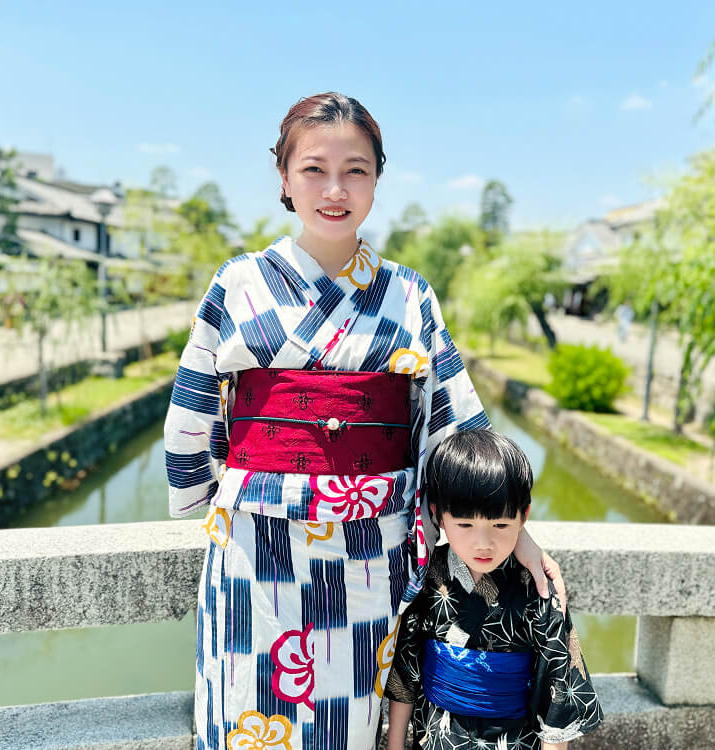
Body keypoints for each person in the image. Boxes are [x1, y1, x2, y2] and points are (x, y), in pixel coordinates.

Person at [164, 92, 566, 750]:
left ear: (377, 178)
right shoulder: (238, 284)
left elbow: (452, 426)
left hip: (367, 548)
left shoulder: (409, 294)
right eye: (313, 169)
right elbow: (194, 412)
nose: (334, 188)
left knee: (349, 718)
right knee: (245, 707)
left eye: (356, 170)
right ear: (285, 180)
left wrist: (510, 527)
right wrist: (213, 502)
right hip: (253, 545)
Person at [385, 430, 603, 750]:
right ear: (438, 515)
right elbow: (406, 669)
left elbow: (556, 692)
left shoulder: (538, 589)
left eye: (500, 525)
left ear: (523, 516)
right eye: (465, 525)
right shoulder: (428, 577)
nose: (483, 543)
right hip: (435, 735)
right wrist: (395, 745)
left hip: (512, 740)